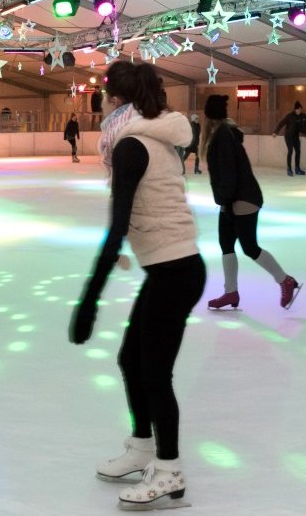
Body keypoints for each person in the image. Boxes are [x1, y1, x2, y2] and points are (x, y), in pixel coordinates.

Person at [70, 61, 203, 511]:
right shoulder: (152, 134)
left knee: (154, 373)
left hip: (176, 270)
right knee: (132, 359)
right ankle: (143, 447)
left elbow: (117, 229)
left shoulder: (131, 146)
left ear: (112, 101)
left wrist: (89, 300)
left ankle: (169, 471)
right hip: (171, 268)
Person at [201, 95, 302, 311]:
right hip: (234, 198)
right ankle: (231, 292)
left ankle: (286, 281)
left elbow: (228, 172)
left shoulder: (222, 137)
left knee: (249, 247)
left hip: (242, 198)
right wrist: (226, 202)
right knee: (226, 243)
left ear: (208, 116)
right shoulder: (222, 134)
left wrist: (226, 202)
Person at [273, 101, 306, 177]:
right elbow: (281, 123)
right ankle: (289, 169)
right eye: (298, 109)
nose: (300, 111)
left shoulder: (303, 116)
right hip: (288, 136)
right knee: (290, 150)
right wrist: (275, 132)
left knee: (298, 151)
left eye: (301, 109)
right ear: (295, 109)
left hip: (295, 136)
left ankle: (297, 168)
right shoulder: (290, 116)